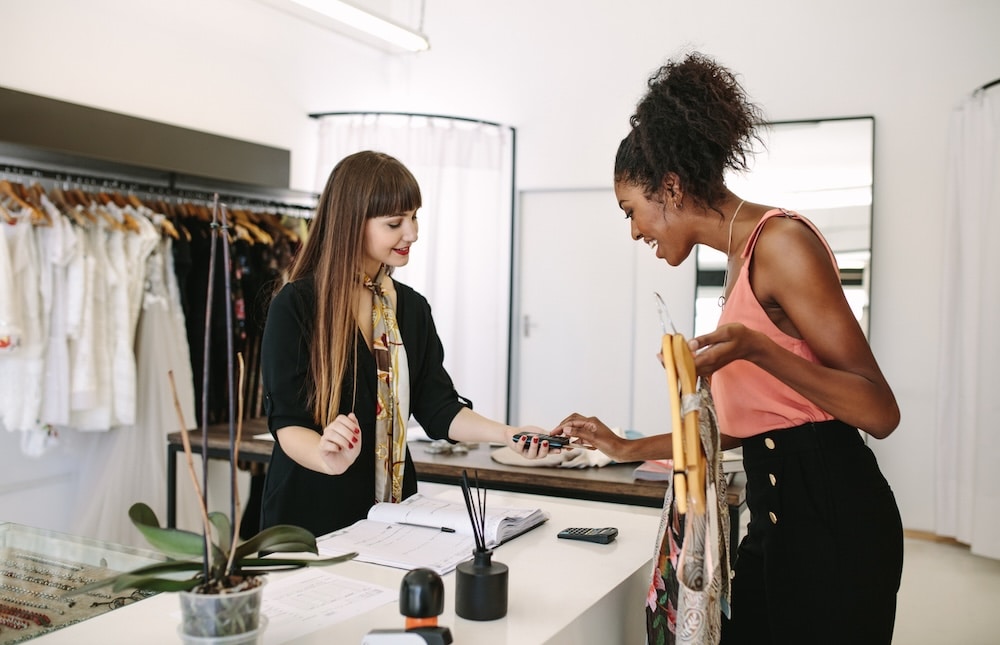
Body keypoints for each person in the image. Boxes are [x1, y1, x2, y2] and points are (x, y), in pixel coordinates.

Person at [557, 53, 903, 644]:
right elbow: (738, 428)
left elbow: (879, 411)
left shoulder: (781, 244)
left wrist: (757, 351)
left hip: (834, 521)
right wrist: (621, 445)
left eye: (631, 211)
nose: (635, 231)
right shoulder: (741, 263)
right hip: (777, 522)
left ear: (670, 188)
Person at [259, 150, 551, 539]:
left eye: (415, 217)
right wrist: (326, 457)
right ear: (350, 223)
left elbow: (439, 408)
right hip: (309, 518)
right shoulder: (296, 305)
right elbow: (287, 423)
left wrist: (509, 435)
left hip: (394, 518)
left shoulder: (411, 308)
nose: (412, 233)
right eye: (395, 222)